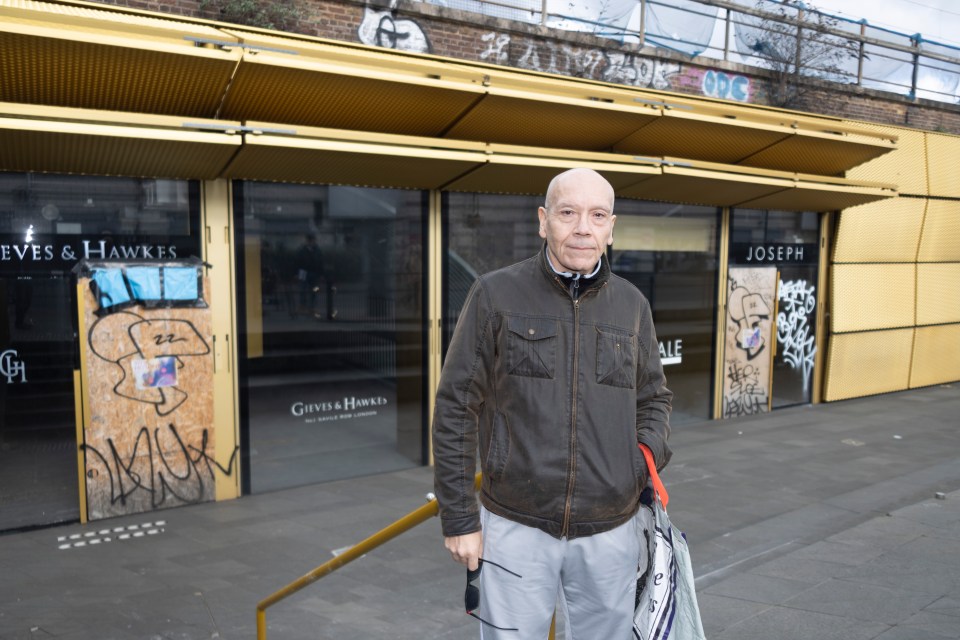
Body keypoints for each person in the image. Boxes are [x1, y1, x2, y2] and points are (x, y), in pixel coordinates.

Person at [432, 168, 673, 638]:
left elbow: (654, 398)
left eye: (597, 215)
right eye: (568, 213)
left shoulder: (632, 305)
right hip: (514, 527)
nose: (583, 227)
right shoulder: (495, 294)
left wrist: (639, 463)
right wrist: (460, 517)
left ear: (610, 227)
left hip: (611, 531)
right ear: (544, 221)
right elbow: (456, 406)